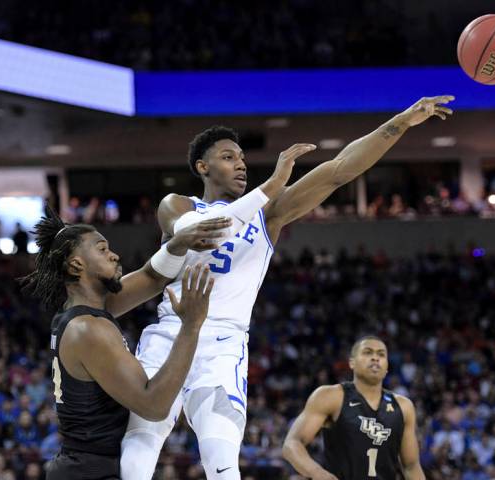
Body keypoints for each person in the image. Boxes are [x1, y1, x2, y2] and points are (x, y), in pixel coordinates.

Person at [120, 95, 454, 480]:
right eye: (229, 157)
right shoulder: (178, 204)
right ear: (202, 166)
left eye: (242, 157)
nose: (241, 163)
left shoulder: (269, 213)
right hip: (170, 334)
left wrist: (401, 122)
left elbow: (339, 170)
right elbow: (196, 233)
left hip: (223, 345)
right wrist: (271, 186)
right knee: (141, 446)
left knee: (222, 460)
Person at [20, 207, 231, 479]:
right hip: (90, 470)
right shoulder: (88, 330)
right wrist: (190, 326)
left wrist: (177, 244)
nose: (114, 254)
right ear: (76, 265)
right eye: (102, 249)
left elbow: (151, 278)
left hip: (84, 466)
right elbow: (154, 406)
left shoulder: (81, 312)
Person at [282, 336, 424, 479]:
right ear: (352, 363)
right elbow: (292, 444)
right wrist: (318, 473)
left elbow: (411, 466)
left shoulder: (404, 406)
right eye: (367, 352)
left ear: (387, 366)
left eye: (381, 354)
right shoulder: (331, 396)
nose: (375, 358)